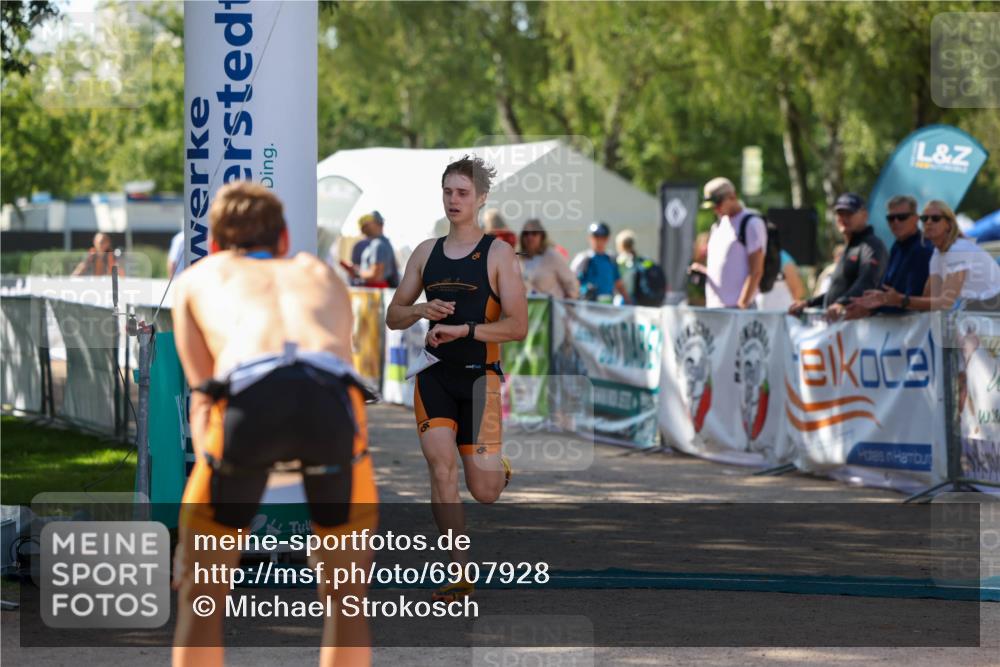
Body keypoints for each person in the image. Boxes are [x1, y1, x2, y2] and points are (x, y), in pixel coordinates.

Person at [170, 182, 378, 667]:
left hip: (251, 397)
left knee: (201, 596)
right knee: (346, 598)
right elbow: (342, 374)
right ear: (284, 239)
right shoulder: (319, 273)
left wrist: (208, 502)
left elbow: (205, 401)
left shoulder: (199, 277)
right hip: (328, 400)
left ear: (218, 243)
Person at [385, 155, 528, 602]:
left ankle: (496, 469)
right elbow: (393, 316)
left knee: (482, 491)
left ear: (481, 198)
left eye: (463, 192)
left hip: (480, 380)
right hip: (434, 377)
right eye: (448, 191)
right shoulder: (426, 253)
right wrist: (420, 311)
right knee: (440, 469)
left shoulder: (499, 254)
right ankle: (458, 571)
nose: (453, 200)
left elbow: (517, 327)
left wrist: (465, 329)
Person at [856, 200, 1000, 313]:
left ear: (949, 225)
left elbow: (945, 302)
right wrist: (885, 301)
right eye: (925, 219)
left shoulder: (958, 249)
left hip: (991, 311)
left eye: (936, 218)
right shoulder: (937, 253)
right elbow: (928, 300)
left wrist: (900, 300)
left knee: (962, 334)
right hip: (981, 312)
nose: (929, 222)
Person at [788, 193, 887, 320]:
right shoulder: (851, 247)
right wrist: (809, 303)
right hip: (839, 327)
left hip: (859, 330)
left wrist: (842, 303)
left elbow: (867, 282)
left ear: (864, 215)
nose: (843, 218)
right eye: (840, 214)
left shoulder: (871, 245)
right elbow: (837, 292)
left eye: (849, 213)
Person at [844, 195, 933, 319]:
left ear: (915, 218)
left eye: (902, 217)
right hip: (895, 327)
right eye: (891, 218)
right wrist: (866, 303)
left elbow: (912, 298)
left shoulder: (923, 248)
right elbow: (887, 289)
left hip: (914, 328)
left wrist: (871, 308)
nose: (895, 222)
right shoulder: (897, 246)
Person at [690, 177, 766, 309]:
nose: (715, 209)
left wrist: (742, 304)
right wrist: (703, 272)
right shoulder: (717, 226)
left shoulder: (751, 223)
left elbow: (756, 270)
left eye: (718, 204)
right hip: (715, 307)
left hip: (738, 310)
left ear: (732, 196)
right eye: (712, 206)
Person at [518, 218, 579, 299]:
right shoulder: (519, 259)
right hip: (530, 310)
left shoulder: (552, 256)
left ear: (542, 236)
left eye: (534, 233)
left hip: (553, 309)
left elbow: (571, 284)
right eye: (526, 233)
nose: (530, 237)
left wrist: (567, 306)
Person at [570, 222, 630, 303]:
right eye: (596, 237)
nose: (599, 241)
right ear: (590, 238)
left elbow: (618, 283)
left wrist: (629, 302)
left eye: (603, 238)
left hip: (607, 307)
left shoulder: (610, 259)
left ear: (607, 239)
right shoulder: (583, 259)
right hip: (587, 306)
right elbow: (572, 282)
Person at [352, 211, 399, 288]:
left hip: (377, 295)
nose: (363, 227)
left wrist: (357, 272)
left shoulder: (378, 244)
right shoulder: (381, 243)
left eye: (366, 224)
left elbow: (376, 276)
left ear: (379, 224)